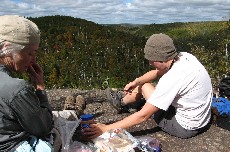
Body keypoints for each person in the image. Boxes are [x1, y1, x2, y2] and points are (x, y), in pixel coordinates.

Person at [85, 33, 213, 139]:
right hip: (202, 120)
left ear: (162, 58)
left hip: (184, 127)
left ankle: (123, 102)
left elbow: (143, 116)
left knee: (146, 87)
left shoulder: (172, 77)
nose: (150, 63)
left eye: (152, 60)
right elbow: (158, 72)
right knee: (144, 84)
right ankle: (128, 100)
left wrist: (105, 128)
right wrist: (136, 81)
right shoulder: (185, 57)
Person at [0, 15, 61, 152]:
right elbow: (42, 128)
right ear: (6, 48)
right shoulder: (15, 88)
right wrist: (40, 87)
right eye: (30, 53)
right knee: (56, 131)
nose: (33, 60)